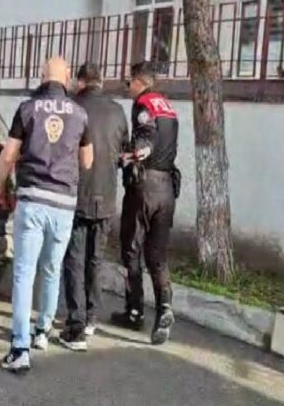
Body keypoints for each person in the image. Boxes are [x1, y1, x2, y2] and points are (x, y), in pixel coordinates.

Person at [0, 57, 93, 374]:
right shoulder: (80, 113)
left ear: (41, 76)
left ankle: (19, 348)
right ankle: (42, 331)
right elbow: (87, 161)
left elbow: (9, 154)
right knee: (51, 269)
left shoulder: (27, 109)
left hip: (32, 198)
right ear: (67, 77)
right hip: (63, 203)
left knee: (24, 273)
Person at [59, 63, 129, 351]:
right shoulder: (118, 111)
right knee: (95, 260)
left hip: (76, 194)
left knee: (74, 259)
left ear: (81, 82)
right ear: (101, 81)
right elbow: (123, 152)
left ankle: (75, 322)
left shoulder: (71, 108)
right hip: (107, 197)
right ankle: (91, 317)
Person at [112, 61, 180, 345]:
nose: (128, 88)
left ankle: (135, 311)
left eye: (129, 82)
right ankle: (164, 307)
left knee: (131, 248)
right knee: (157, 255)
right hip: (167, 189)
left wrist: (124, 156)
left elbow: (145, 144)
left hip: (144, 188)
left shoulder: (144, 104)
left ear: (139, 81)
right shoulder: (167, 106)